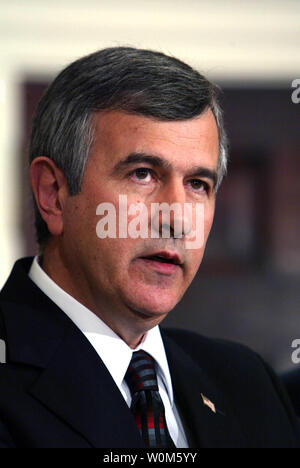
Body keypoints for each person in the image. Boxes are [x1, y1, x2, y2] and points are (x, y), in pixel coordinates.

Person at [0, 47, 298, 448]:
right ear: (53, 194)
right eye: (142, 174)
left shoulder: (249, 383)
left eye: (198, 185)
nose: (176, 219)